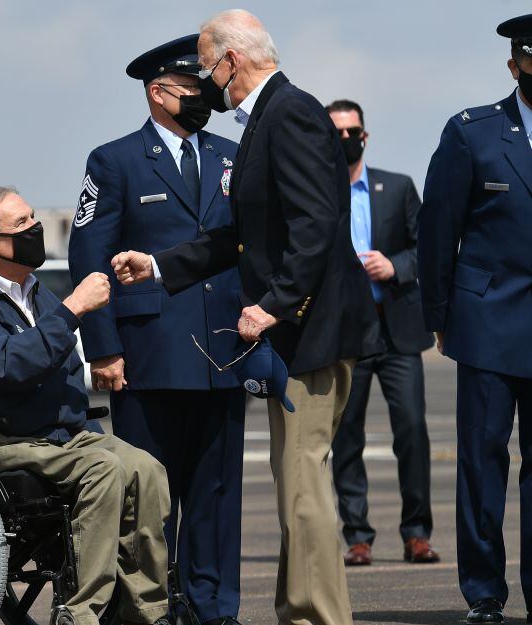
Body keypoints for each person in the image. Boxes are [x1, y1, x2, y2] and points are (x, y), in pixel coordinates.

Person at [111, 10, 380, 625]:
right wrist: (157, 265)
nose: (206, 83)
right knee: (295, 487)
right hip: (297, 336)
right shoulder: (267, 118)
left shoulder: (290, 113)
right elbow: (238, 236)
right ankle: (297, 609)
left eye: (208, 68)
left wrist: (273, 304)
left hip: (312, 334)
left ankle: (317, 617)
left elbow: (316, 226)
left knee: (304, 488)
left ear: (231, 61)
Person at [0, 186, 172, 625]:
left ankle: (145, 609)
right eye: (22, 222)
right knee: (104, 471)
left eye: (32, 217)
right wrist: (74, 307)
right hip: (0, 439)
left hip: (59, 435)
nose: (35, 228)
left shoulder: (37, 293)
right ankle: (80, 612)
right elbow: (11, 366)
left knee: (146, 469)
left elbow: (64, 372)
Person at [68, 34, 245, 625]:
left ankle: (213, 607)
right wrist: (103, 348)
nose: (201, 98)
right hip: (148, 354)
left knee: (217, 491)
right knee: (149, 495)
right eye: (190, 88)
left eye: (204, 87)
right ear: (157, 93)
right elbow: (89, 257)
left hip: (223, 349)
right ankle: (152, 605)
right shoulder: (114, 160)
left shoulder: (231, 156)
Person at [419, 14, 532, 623]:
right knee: (482, 464)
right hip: (488, 322)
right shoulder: (472, 132)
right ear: (514, 65)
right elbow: (438, 228)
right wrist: (439, 315)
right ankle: (484, 592)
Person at [324, 99, 440, 568]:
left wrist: (394, 266)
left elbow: (425, 246)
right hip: (345, 333)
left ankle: (417, 533)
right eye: (336, 132)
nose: (345, 139)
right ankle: (357, 536)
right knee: (346, 435)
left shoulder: (397, 187)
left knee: (411, 428)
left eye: (352, 131)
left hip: (396, 330)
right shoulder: (318, 191)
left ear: (365, 136)